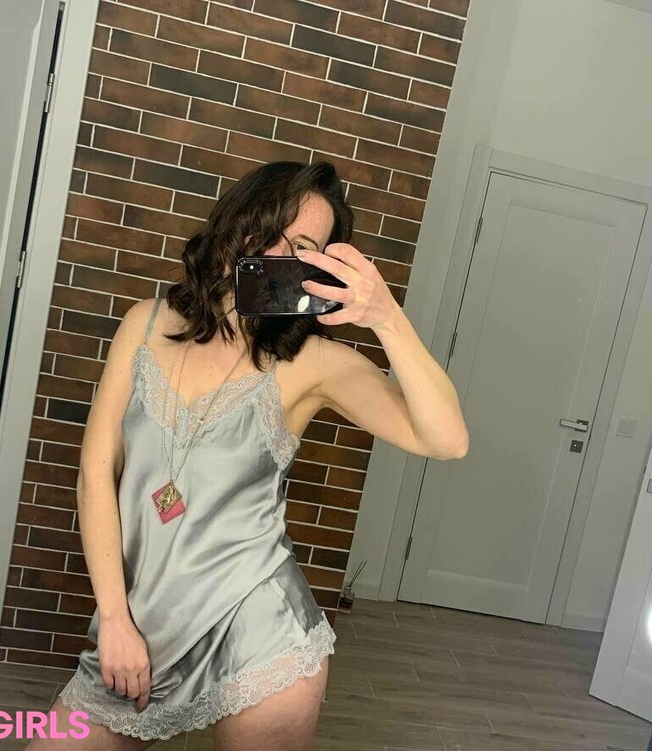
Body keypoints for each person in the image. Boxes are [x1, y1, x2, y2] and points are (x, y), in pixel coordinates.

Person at [26, 161, 469, 751]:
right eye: (270, 229)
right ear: (237, 222)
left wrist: (386, 317)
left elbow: (446, 439)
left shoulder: (314, 363)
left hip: (258, 629)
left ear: (318, 268)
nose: (276, 253)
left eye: (303, 247)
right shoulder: (145, 324)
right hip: (140, 623)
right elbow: (95, 474)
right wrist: (113, 618)